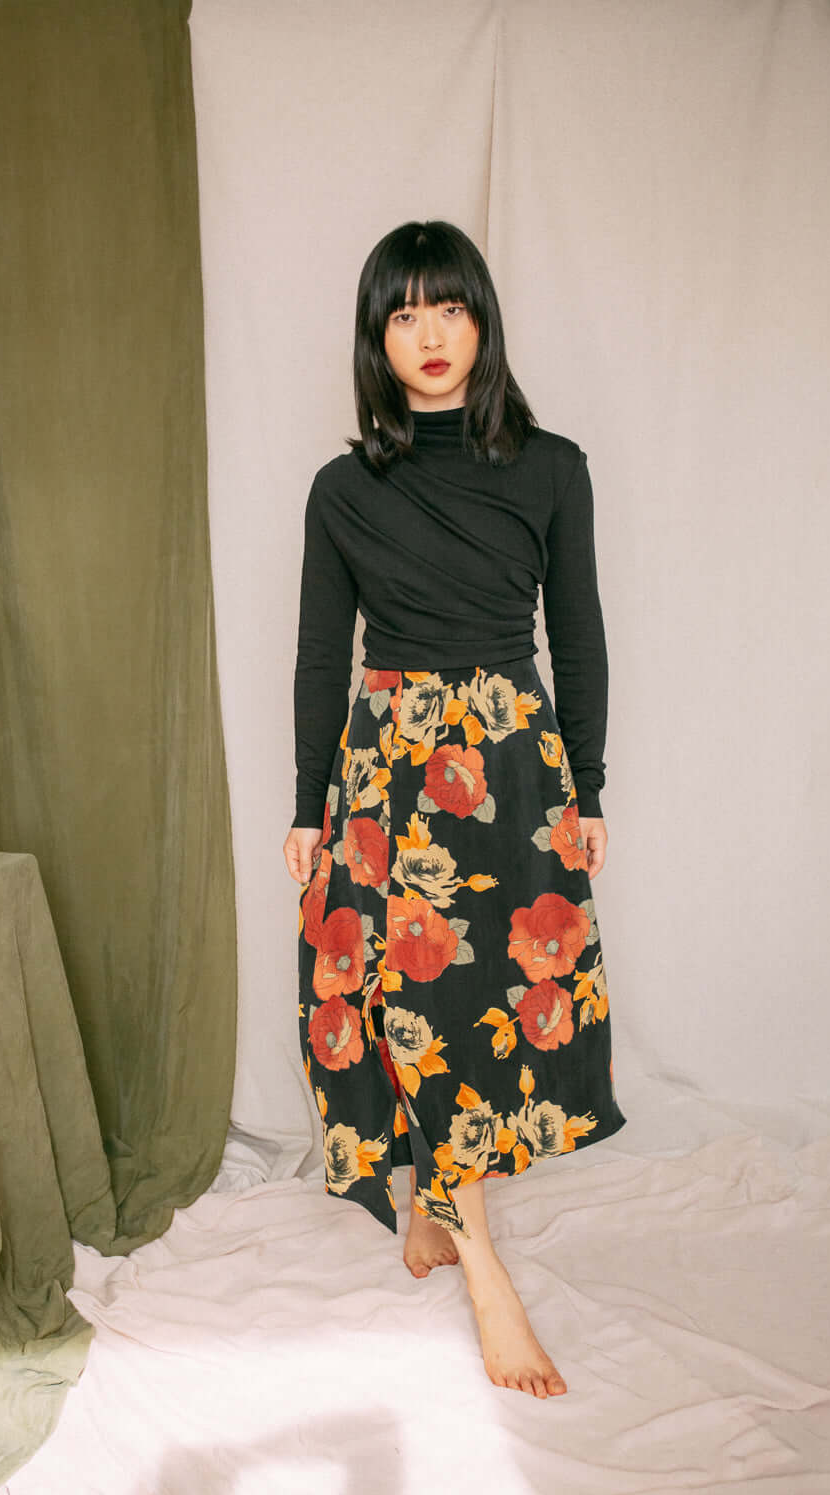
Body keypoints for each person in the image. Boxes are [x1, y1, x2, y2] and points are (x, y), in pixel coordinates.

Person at [283, 220, 626, 1398]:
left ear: (482, 320)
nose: (430, 338)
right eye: (403, 317)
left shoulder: (552, 467)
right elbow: (320, 655)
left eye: (449, 310)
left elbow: (575, 643)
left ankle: (434, 1207)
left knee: (477, 996)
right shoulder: (343, 489)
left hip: (508, 766)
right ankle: (481, 1268)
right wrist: (304, 804)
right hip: (383, 763)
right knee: (391, 989)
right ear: (378, 341)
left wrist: (584, 790)